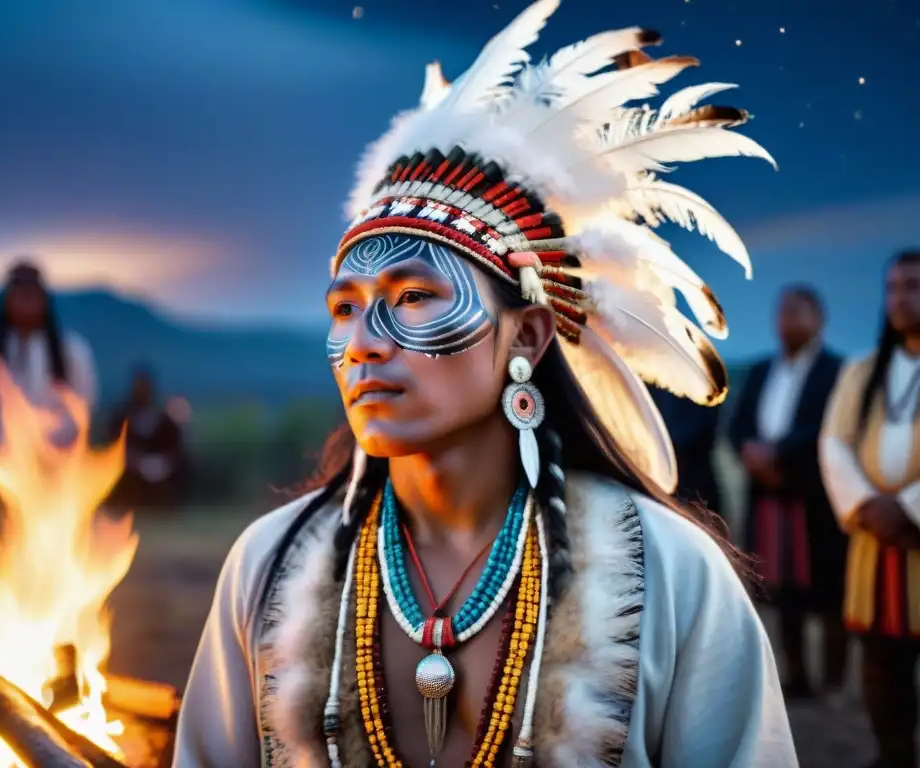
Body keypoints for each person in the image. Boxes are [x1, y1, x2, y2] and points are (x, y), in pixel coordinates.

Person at [174, 5, 794, 766]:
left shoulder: (672, 579)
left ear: (527, 336)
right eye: (345, 308)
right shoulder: (267, 567)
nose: (363, 343)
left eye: (413, 298)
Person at [820, 249, 920, 768]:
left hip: (912, 537)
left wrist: (909, 508)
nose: (902, 297)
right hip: (875, 544)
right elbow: (834, 444)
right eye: (894, 287)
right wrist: (868, 507)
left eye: (914, 286)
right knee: (882, 666)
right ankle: (894, 753)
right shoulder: (862, 370)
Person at [728, 286, 847, 702]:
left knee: (828, 589)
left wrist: (778, 454)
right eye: (782, 312)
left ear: (819, 319)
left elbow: (826, 426)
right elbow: (738, 423)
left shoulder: (836, 370)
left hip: (814, 497)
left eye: (797, 312)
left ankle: (834, 681)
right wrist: (750, 453)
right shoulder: (762, 369)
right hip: (766, 496)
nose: (787, 320)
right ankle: (796, 676)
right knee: (781, 587)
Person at [0, 259, 98, 573]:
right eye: (19, 296)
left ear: (44, 301)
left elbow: (84, 405)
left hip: (54, 464)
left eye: (33, 296)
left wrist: (50, 447)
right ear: (7, 301)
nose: (26, 304)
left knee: (51, 541)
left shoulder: (71, 352)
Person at [106, 366, 187, 509]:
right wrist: (136, 461)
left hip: (161, 466)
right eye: (139, 386)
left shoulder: (164, 417)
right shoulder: (122, 416)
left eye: (145, 386)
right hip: (130, 468)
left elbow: (174, 446)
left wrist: (162, 461)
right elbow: (112, 443)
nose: (142, 390)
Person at [651, 387, 724, 517]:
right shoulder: (640, 373)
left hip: (694, 492)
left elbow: (699, 429)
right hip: (653, 491)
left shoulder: (700, 374)